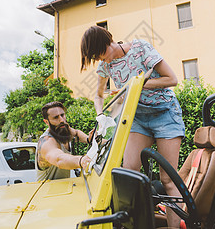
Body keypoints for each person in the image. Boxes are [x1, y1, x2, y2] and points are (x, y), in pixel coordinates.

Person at [80, 25, 185, 227]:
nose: (102, 60)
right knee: (130, 173)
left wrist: (137, 84)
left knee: (168, 179)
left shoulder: (140, 49)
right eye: (97, 57)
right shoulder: (106, 66)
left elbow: (172, 79)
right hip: (138, 118)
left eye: (101, 53)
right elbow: (98, 95)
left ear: (108, 40)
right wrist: (100, 115)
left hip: (164, 114)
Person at [36, 101, 92, 181]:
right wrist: (81, 160)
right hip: (47, 191)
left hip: (65, 188)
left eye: (62, 115)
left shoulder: (64, 130)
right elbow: (59, 159)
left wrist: (88, 139)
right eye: (56, 117)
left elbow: (76, 133)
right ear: (46, 122)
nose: (61, 120)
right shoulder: (47, 141)